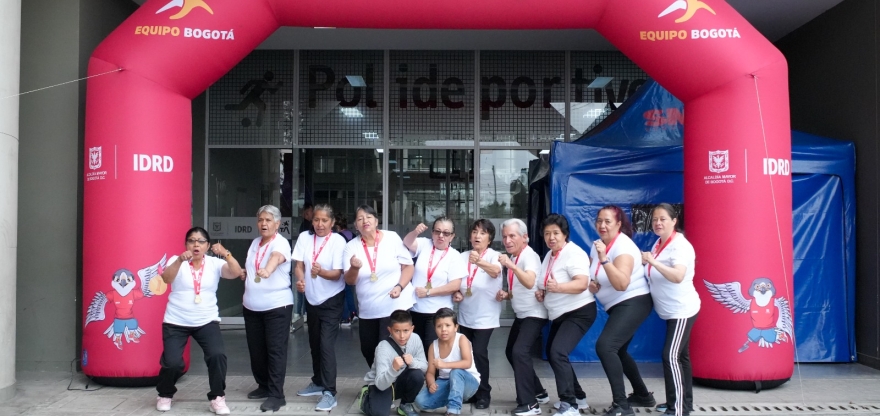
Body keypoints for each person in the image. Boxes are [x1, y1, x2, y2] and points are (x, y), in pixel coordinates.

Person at [155, 227, 242, 415]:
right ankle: (165, 394)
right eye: (192, 241)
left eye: (201, 241)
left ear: (208, 246)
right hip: (176, 321)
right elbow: (166, 279)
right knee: (172, 363)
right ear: (186, 244)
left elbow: (235, 272)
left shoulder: (214, 263)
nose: (196, 244)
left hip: (206, 320)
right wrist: (179, 260)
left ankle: (217, 397)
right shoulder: (176, 261)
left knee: (217, 355)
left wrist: (226, 254)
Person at [587, 205, 654, 416]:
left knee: (606, 347)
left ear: (618, 224)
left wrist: (605, 259)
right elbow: (593, 276)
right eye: (599, 221)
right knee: (619, 350)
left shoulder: (623, 247)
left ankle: (621, 405)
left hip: (634, 301)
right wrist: (593, 284)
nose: (602, 225)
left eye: (607, 221)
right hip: (617, 305)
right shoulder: (597, 245)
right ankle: (643, 395)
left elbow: (622, 283)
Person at [640, 204, 698, 416]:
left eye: (663, 219)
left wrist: (653, 262)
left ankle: (678, 409)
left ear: (674, 221)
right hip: (670, 310)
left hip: (681, 310)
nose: (658, 223)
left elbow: (677, 276)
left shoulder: (680, 246)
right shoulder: (659, 243)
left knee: (671, 356)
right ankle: (682, 403)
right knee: (681, 357)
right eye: (655, 219)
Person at [536, 213, 595, 416]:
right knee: (555, 355)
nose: (551, 237)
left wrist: (558, 287)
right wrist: (542, 290)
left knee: (557, 353)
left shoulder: (574, 253)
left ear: (565, 234)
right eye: (547, 233)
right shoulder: (550, 255)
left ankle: (569, 405)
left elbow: (581, 283)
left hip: (579, 312)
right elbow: (548, 282)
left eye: (555, 233)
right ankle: (579, 397)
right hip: (560, 314)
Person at [344, 204, 415, 367]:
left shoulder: (391, 238)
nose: (365, 221)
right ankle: (380, 381)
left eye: (369, 217)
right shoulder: (351, 246)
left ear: (376, 221)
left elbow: (408, 267)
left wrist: (399, 286)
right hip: (368, 309)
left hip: (395, 305)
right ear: (356, 225)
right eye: (360, 219)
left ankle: (390, 387)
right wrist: (354, 267)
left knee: (389, 350)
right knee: (368, 349)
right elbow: (349, 280)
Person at [292, 204, 348, 411]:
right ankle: (317, 382)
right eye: (316, 220)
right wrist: (300, 281)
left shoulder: (338, 241)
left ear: (332, 223)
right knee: (314, 342)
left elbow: (338, 274)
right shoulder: (305, 238)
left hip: (331, 300)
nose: (320, 224)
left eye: (325, 220)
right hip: (312, 298)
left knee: (326, 345)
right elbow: (299, 265)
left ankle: (329, 392)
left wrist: (321, 272)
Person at [497, 219, 550, 416]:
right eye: (504, 236)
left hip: (534, 314)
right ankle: (539, 392)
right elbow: (521, 288)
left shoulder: (529, 256)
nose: (507, 240)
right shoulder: (517, 257)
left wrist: (510, 265)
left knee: (519, 352)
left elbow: (529, 282)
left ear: (525, 237)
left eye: (512, 236)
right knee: (511, 351)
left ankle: (530, 404)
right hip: (523, 314)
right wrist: (507, 294)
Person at [243, 205, 293, 412]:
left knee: (275, 351)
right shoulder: (255, 243)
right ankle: (263, 385)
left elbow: (276, 258)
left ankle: (276, 394)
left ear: (277, 224)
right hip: (251, 306)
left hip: (276, 307)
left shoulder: (281, 243)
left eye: (268, 220)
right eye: (261, 220)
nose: (263, 224)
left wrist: (267, 270)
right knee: (257, 351)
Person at [452, 219, 502, 409]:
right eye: (474, 232)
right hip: (466, 314)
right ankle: (471, 391)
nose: (477, 236)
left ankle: (484, 393)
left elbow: (495, 272)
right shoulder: (462, 256)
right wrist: (456, 292)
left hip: (485, 316)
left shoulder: (495, 256)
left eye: (482, 233)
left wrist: (479, 261)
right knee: (467, 354)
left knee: (480, 353)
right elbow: (457, 282)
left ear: (490, 238)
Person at [402, 217, 468, 353]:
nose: (441, 236)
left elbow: (455, 285)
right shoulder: (425, 244)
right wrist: (415, 232)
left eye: (446, 233)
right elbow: (407, 242)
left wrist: (428, 292)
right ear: (432, 233)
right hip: (416, 309)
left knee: (431, 350)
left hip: (438, 313)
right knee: (414, 350)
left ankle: (433, 375)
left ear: (452, 237)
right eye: (437, 231)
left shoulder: (455, 256)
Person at [358, 309, 428, 416]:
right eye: (397, 331)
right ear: (389, 330)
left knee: (417, 375)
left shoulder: (416, 339)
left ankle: (405, 404)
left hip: (400, 382)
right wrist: (393, 369)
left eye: (406, 331)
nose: (402, 336)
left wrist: (413, 362)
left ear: (412, 329)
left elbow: (425, 366)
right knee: (379, 413)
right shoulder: (383, 347)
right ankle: (366, 399)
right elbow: (380, 384)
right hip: (382, 384)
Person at [415, 308, 482, 416]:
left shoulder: (461, 339)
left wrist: (445, 365)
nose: (443, 329)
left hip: (468, 382)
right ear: (434, 328)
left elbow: (467, 362)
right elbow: (430, 372)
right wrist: (431, 383)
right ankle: (451, 399)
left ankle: (453, 409)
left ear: (456, 327)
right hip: (445, 382)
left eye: (448, 325)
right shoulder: (433, 346)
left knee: (455, 372)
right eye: (439, 326)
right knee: (420, 402)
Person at [334, 212, 358, 324]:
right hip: (353, 266)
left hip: (343, 267)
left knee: (343, 292)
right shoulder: (352, 235)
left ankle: (346, 317)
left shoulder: (338, 237)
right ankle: (353, 312)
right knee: (349, 291)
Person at [295, 202, 315, 320]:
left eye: (310, 212)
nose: (309, 215)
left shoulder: (310, 225)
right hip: (303, 264)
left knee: (304, 288)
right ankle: (299, 312)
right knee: (302, 287)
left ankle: (302, 312)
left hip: (309, 266)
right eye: (307, 213)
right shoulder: (305, 227)